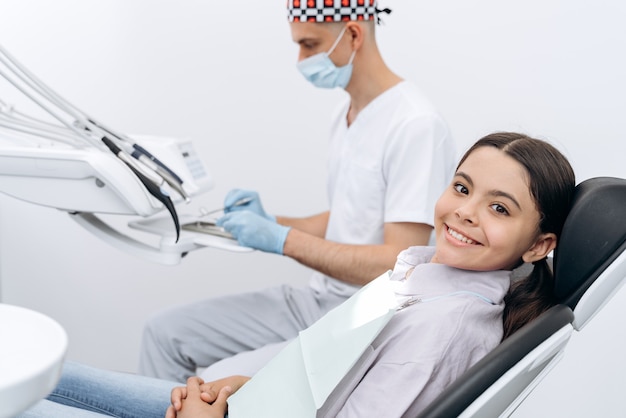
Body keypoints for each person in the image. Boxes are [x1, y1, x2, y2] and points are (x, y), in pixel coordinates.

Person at [21, 132, 576, 417]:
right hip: (260, 404)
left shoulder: (447, 326)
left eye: (499, 209)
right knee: (43, 377)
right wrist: (252, 388)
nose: (465, 212)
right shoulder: (427, 278)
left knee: (27, 401)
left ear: (540, 245)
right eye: (461, 188)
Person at [139, 1, 456, 382]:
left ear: (353, 34)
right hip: (316, 298)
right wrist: (270, 222)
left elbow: (397, 261)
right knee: (163, 334)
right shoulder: (347, 116)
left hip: (362, 317)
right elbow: (350, 216)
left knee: (214, 383)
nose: (301, 59)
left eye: (309, 44)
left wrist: (282, 240)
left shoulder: (415, 124)